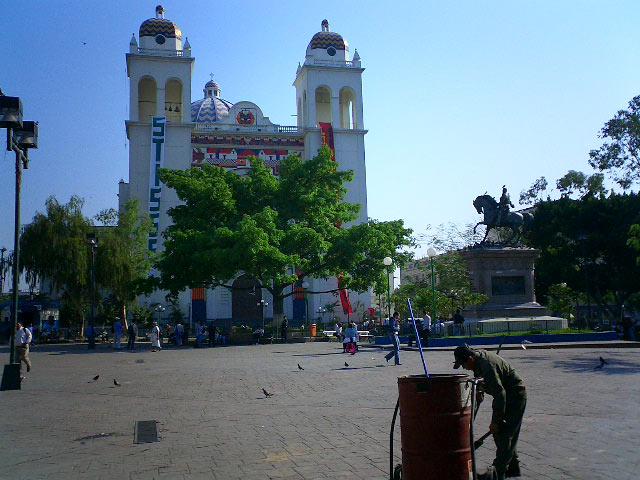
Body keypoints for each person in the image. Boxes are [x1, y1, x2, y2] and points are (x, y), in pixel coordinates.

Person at [453, 344, 526, 480]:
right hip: (505, 394)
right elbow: (482, 378)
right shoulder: (477, 360)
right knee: (502, 434)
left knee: (504, 433)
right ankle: (512, 467)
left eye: (463, 363)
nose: (463, 367)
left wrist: (496, 421)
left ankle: (498, 473)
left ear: (470, 358)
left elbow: (500, 395)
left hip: (515, 395)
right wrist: (480, 389)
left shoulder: (487, 366)